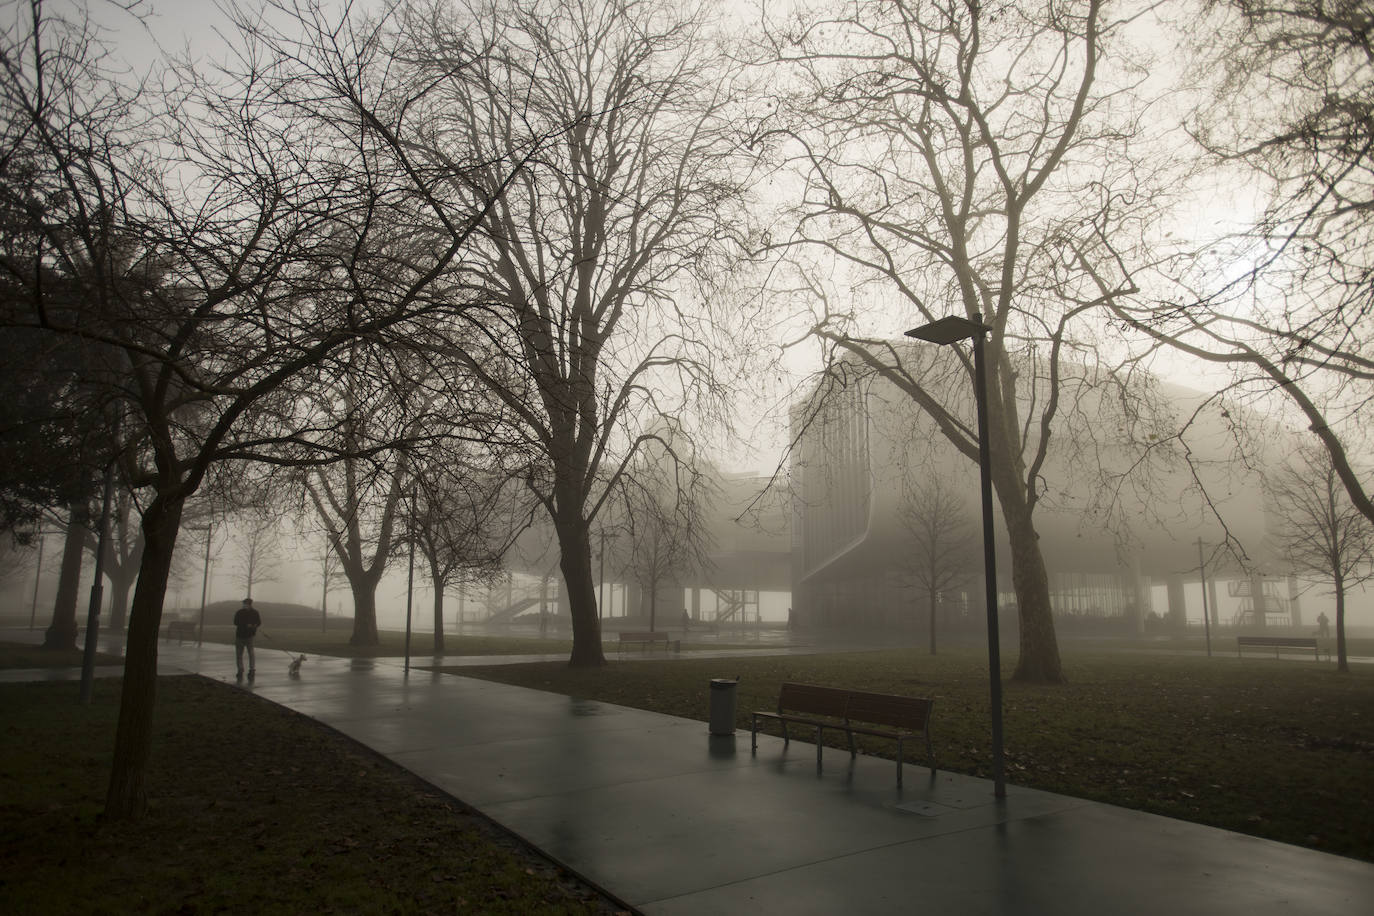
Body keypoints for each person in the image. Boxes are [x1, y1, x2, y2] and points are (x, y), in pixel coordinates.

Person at [233, 597, 261, 679]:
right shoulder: (239, 612)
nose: (244, 605)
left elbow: (259, 622)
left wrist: (255, 625)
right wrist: (246, 625)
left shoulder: (255, 612)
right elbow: (235, 622)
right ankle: (240, 670)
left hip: (250, 636)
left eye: (245, 604)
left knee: (251, 654)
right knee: (239, 654)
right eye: (244, 604)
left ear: (249, 604)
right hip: (240, 635)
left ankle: (252, 670)